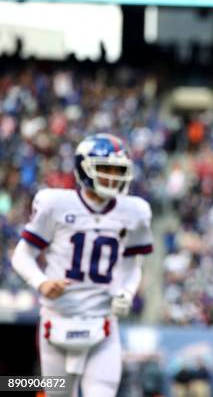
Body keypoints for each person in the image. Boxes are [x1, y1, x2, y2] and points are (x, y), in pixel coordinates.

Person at [11, 133, 154, 397]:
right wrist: (41, 282)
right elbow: (22, 255)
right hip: (57, 320)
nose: (113, 176)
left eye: (118, 170)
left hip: (102, 322)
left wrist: (126, 292)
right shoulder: (55, 203)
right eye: (106, 168)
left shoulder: (135, 211)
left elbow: (133, 265)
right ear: (83, 168)